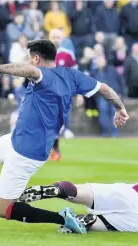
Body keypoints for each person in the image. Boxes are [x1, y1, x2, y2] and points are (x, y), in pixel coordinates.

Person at [0, 39, 129, 234]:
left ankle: (64, 219)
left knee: (2, 209)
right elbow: (104, 88)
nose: (30, 62)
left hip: (26, 151)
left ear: (37, 59)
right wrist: (120, 108)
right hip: (18, 138)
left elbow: (29, 70)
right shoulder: (71, 75)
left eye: (30, 57)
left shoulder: (41, 74)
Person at [19, 145, 138, 233]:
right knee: (99, 223)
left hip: (133, 195)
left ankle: (59, 190)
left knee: (80, 192)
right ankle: (83, 221)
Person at [49, 28, 78, 160]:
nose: (55, 39)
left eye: (58, 37)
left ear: (62, 39)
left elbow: (75, 75)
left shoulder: (67, 55)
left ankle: (55, 150)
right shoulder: (41, 54)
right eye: (53, 37)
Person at [92, 55, 125, 137]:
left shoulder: (112, 70)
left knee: (114, 114)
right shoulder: (93, 73)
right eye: (98, 61)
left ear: (105, 61)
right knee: (103, 113)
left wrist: (120, 92)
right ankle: (105, 132)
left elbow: (119, 81)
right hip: (101, 96)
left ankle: (114, 133)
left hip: (113, 95)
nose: (100, 62)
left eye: (101, 61)